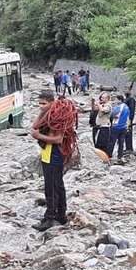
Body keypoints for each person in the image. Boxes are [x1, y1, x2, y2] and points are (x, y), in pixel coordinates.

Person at [31, 90, 77, 231]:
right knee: (57, 185)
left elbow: (58, 139)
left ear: (52, 102)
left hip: (54, 155)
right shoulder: (48, 114)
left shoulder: (58, 117)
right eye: (39, 103)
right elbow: (35, 126)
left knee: (52, 188)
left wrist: (39, 136)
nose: (41, 106)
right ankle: (61, 215)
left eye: (44, 103)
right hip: (47, 155)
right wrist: (42, 111)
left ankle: (50, 218)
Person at [108, 95, 130, 161]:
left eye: (116, 99)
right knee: (121, 142)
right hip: (124, 127)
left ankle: (109, 155)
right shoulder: (127, 107)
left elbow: (111, 115)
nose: (115, 101)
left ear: (120, 100)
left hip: (116, 127)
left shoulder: (118, 107)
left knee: (112, 142)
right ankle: (120, 156)